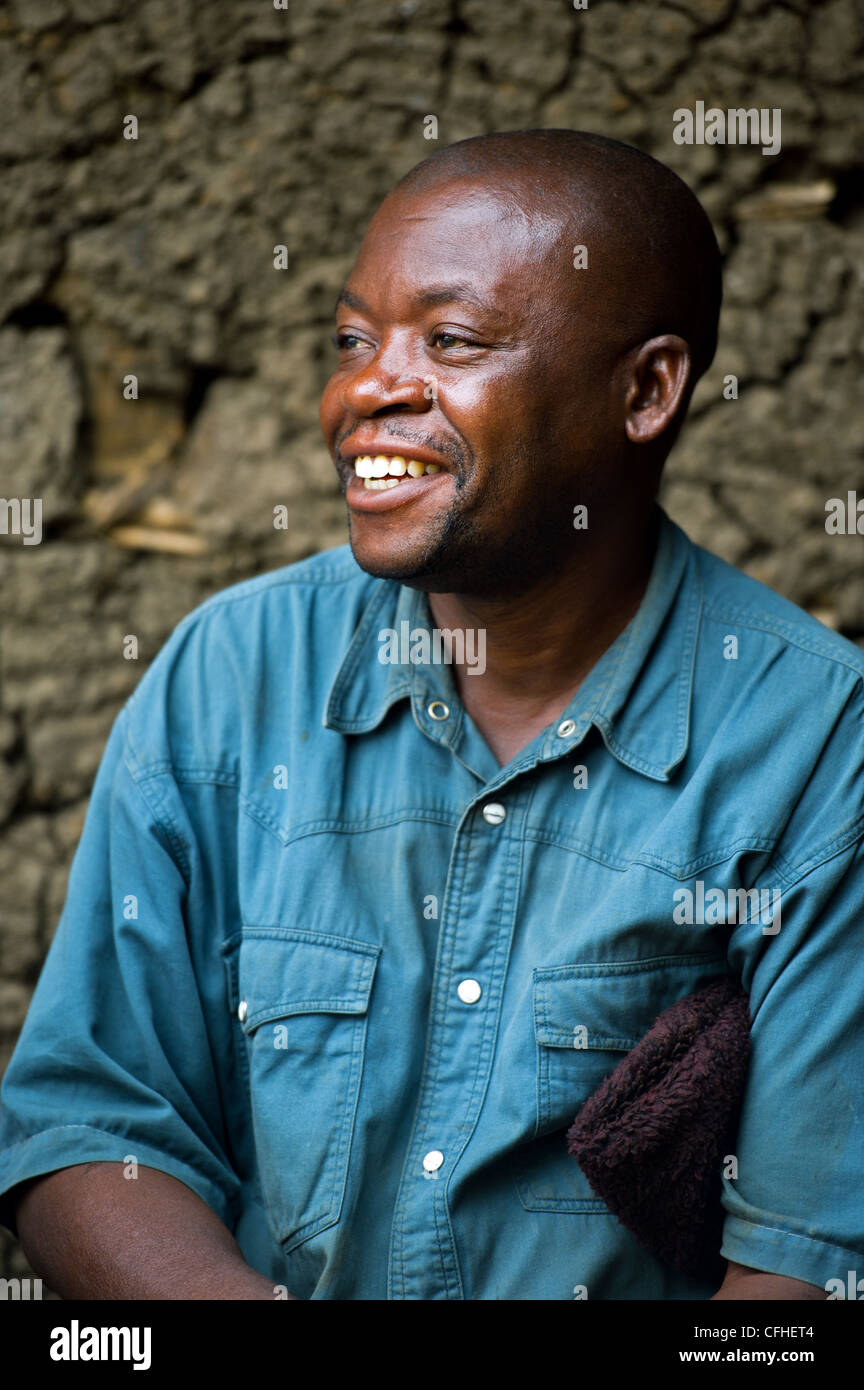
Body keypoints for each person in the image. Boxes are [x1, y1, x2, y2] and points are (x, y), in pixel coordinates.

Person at [1, 130, 860, 1301]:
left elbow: (807, 1268)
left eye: (449, 342)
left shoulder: (814, 741)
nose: (366, 390)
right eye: (355, 340)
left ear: (646, 390)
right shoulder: (230, 673)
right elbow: (87, 1119)